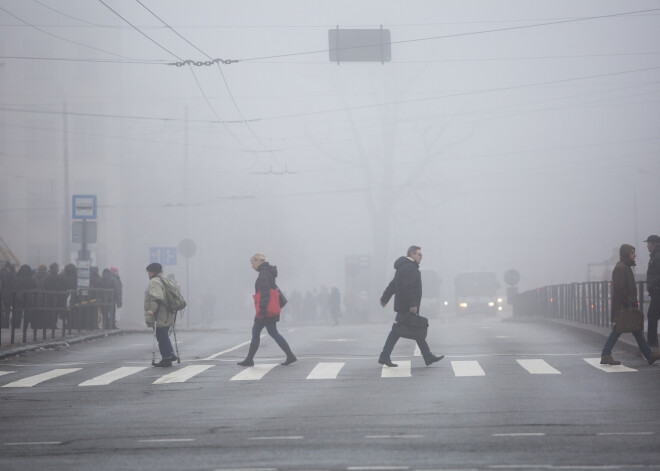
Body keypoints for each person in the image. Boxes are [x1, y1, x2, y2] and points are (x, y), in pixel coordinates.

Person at [378, 246, 444, 367]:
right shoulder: (410, 268)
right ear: (412, 254)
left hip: (403, 304)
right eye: (419, 254)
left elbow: (393, 285)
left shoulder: (402, 267)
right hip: (406, 306)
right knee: (399, 331)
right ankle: (384, 356)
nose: (421, 257)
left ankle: (427, 356)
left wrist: (384, 298)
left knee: (415, 329)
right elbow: (407, 287)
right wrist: (413, 304)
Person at [600, 244, 660, 365]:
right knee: (619, 329)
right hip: (625, 306)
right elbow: (619, 288)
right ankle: (605, 354)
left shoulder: (625, 266)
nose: (635, 255)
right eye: (632, 253)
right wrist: (628, 303)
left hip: (627, 305)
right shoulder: (622, 267)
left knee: (636, 329)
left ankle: (649, 355)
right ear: (627, 254)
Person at [238, 253, 296, 367]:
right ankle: (289, 355)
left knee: (262, 332)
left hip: (265, 310)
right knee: (268, 332)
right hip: (268, 308)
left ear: (258, 261)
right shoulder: (267, 272)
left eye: (252, 263)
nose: (252, 266)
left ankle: (289, 355)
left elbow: (265, 293)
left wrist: (262, 309)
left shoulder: (263, 274)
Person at [144, 263, 177, 367]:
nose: (148, 274)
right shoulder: (165, 280)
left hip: (160, 312)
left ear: (152, 272)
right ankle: (171, 354)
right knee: (164, 334)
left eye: (148, 272)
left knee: (161, 335)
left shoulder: (154, 282)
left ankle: (166, 358)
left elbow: (157, 297)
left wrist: (152, 311)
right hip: (168, 311)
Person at [644, 235, 660, 350]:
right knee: (653, 315)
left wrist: (654, 285)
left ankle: (652, 343)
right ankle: (652, 342)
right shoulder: (655, 255)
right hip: (656, 290)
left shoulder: (657, 256)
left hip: (657, 290)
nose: (647, 246)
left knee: (652, 315)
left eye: (648, 243)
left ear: (653, 244)